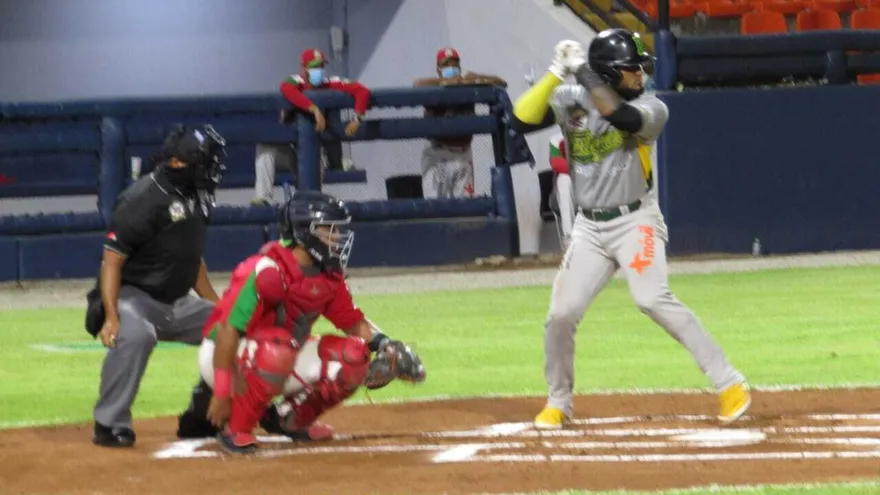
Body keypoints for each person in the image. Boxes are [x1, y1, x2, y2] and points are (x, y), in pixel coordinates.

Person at [511, 30, 751, 429]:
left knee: (652, 298)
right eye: (630, 69)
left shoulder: (652, 107)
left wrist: (584, 73)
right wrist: (556, 72)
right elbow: (520, 120)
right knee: (560, 315)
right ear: (609, 72)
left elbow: (620, 117)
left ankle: (730, 383)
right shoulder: (571, 100)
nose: (640, 74)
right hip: (590, 227)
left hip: (635, 219)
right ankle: (558, 401)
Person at [175, 191, 426, 454]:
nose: (338, 238)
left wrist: (385, 344)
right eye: (330, 230)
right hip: (223, 355)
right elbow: (227, 330)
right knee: (278, 348)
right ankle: (235, 429)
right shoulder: (266, 269)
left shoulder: (329, 276)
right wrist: (222, 391)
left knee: (354, 355)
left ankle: (289, 420)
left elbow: (354, 323)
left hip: (281, 354)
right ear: (306, 233)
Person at [84, 124, 227, 447]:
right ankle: (109, 423)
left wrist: (222, 308)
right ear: (178, 163)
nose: (213, 168)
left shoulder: (198, 193)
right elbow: (112, 260)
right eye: (206, 161)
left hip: (179, 300)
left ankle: (202, 414)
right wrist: (111, 316)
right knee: (136, 335)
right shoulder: (142, 199)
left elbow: (194, 260)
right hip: (134, 296)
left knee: (234, 326)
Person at [252, 48, 372, 206]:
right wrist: (313, 109)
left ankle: (306, 205)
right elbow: (286, 89)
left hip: (317, 151)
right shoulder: (295, 81)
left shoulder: (331, 82)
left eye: (321, 66)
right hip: (290, 150)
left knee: (309, 198)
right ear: (303, 68)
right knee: (265, 148)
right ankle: (263, 198)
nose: (318, 70)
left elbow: (362, 91)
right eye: (314, 67)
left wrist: (357, 118)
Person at [413, 48, 507, 199]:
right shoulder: (435, 86)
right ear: (438, 69)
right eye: (446, 64)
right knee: (436, 209)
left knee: (466, 208)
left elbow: (501, 83)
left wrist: (475, 79)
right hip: (438, 154)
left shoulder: (466, 85)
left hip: (463, 153)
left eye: (455, 63)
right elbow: (417, 85)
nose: (452, 67)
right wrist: (446, 82)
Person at [547, 132, 576, 250]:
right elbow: (557, 164)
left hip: (595, 188)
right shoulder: (556, 139)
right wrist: (582, 170)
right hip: (570, 192)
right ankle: (570, 238)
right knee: (564, 179)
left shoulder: (595, 134)